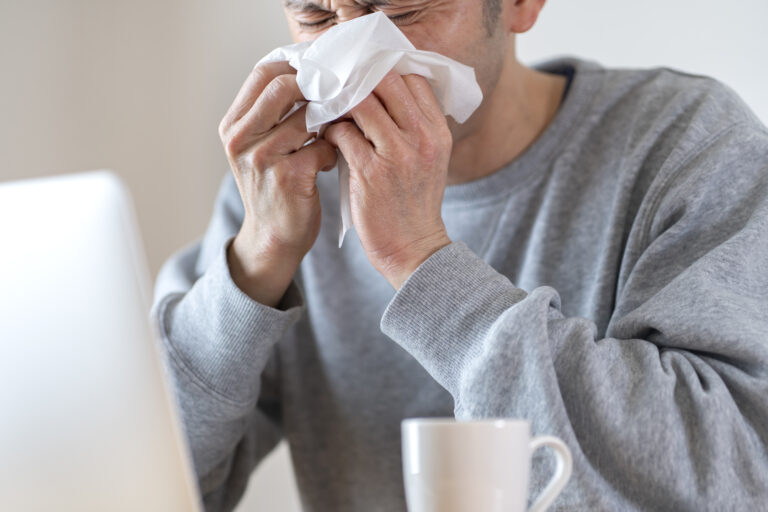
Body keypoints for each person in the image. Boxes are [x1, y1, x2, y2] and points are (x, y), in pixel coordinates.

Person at [152, 0, 768, 510]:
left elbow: (733, 475)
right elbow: (155, 482)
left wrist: (420, 259)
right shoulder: (281, 194)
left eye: (399, 9)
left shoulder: (687, 146)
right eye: (315, 16)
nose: (351, 53)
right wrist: (255, 264)